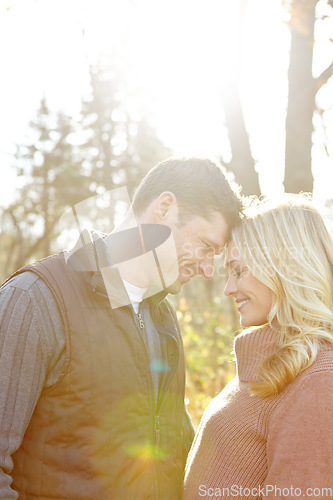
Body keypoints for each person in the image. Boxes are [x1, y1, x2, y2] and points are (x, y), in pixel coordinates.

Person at [0, 157, 242, 500]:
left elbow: (173, 453)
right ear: (165, 208)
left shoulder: (163, 319)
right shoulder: (35, 300)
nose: (207, 269)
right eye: (206, 247)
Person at [184, 195, 333, 499]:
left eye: (238, 271)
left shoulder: (317, 380)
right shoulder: (267, 363)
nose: (228, 288)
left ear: (283, 268)